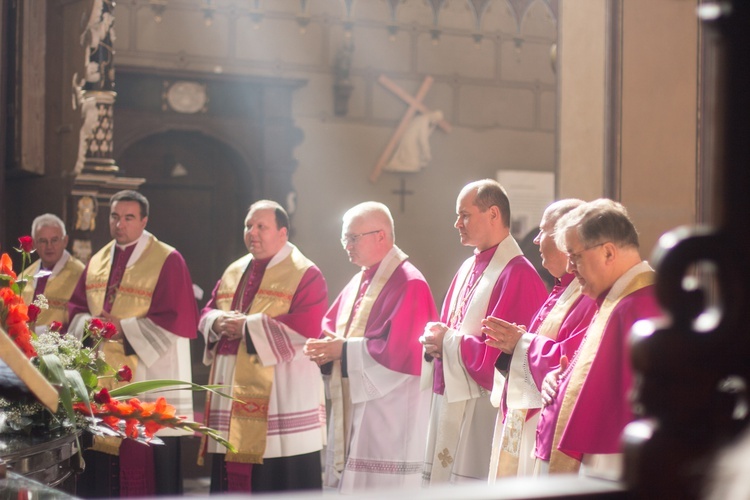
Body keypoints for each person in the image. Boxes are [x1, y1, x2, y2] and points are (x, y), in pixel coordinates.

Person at [68, 190, 199, 497]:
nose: (120, 224)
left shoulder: (168, 258)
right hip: (103, 373)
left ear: (144, 221)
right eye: (114, 216)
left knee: (146, 456)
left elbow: (174, 318)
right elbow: (75, 309)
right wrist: (93, 325)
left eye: (128, 218)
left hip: (149, 374)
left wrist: (122, 330)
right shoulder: (98, 260)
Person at [420, 179, 547, 485]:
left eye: (464, 215)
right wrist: (435, 339)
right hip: (454, 399)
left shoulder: (518, 274)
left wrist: (447, 341)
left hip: (481, 410)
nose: (457, 224)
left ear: (493, 214)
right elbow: (451, 325)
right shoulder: (468, 266)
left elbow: (503, 359)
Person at [304, 202, 437, 492]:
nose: (347, 246)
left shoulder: (409, 283)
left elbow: (402, 352)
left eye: (353, 237)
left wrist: (342, 351)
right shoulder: (359, 280)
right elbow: (334, 328)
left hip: (390, 410)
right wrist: (325, 349)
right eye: (345, 238)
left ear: (381, 235)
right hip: (359, 404)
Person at [198, 200, 328, 494]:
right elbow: (208, 310)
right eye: (248, 226)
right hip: (232, 388)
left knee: (279, 475)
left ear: (282, 233)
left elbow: (308, 326)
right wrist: (218, 322)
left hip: (282, 392)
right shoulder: (235, 270)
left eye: (261, 227)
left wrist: (247, 326)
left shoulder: (305, 272)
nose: (252, 233)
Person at [536, 199, 661, 478]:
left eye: (575, 256)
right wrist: (561, 380)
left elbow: (620, 411)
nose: (570, 268)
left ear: (607, 252)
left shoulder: (636, 308)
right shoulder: (616, 300)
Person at [482, 199, 597, 480]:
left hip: (549, 424)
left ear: (563, 238)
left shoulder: (588, 297)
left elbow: (570, 362)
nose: (535, 239)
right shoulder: (561, 290)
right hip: (528, 416)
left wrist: (521, 343)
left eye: (543, 230)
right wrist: (515, 345)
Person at [20, 214, 85, 333]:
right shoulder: (24, 276)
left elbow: (81, 321)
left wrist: (39, 332)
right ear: (34, 244)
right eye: (43, 241)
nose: (49, 246)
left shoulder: (80, 274)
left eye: (54, 240)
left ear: (65, 241)